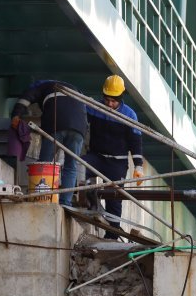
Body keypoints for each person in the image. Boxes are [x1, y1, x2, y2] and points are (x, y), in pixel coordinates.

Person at [84, 75, 144, 239]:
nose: (109, 104)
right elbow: (79, 116)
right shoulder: (94, 107)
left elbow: (135, 142)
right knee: (80, 171)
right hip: (96, 157)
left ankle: (112, 234)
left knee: (114, 198)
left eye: (113, 101)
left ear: (121, 98)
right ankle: (90, 201)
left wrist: (138, 166)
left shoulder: (129, 115)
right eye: (107, 100)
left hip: (117, 163)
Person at [11, 80, 86, 206]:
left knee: (45, 164)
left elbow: (25, 98)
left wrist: (15, 115)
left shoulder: (41, 86)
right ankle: (65, 203)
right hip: (78, 129)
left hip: (55, 125)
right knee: (71, 166)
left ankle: (42, 199)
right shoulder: (76, 89)